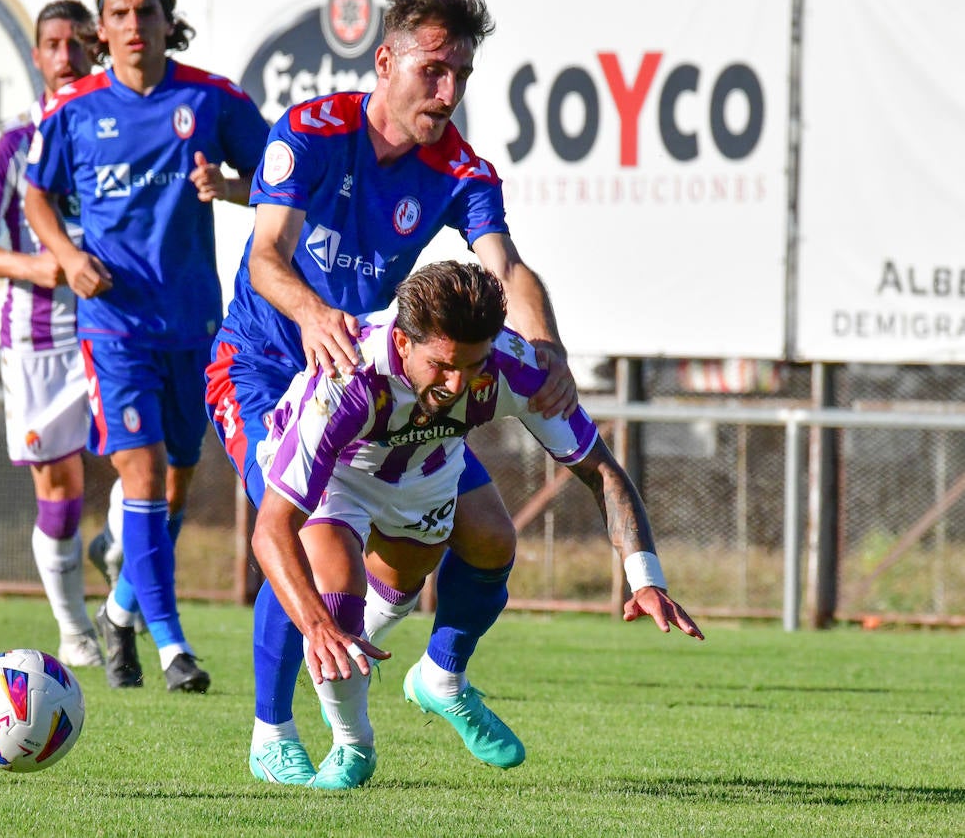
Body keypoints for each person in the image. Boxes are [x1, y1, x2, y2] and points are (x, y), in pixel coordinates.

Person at [204, 0, 580, 782]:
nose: (448, 93)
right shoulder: (311, 132)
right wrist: (310, 313)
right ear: (385, 61)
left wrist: (547, 347)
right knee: (298, 531)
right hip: (267, 366)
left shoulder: (460, 169)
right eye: (434, 70)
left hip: (374, 381)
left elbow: (504, 269)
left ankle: (440, 673)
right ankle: (272, 731)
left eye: (463, 76)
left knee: (488, 533)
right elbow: (267, 253)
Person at [251, 261, 704, 789]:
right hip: (340, 472)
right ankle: (351, 745)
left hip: (427, 466)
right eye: (442, 365)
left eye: (473, 363)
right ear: (401, 342)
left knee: (488, 544)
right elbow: (271, 529)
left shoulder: (511, 367)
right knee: (335, 598)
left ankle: (440, 677)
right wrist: (317, 624)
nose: (458, 382)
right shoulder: (346, 382)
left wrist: (645, 577)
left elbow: (601, 471)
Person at [23, 0, 270, 692]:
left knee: (174, 486)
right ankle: (173, 647)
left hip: (194, 323)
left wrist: (228, 187)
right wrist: (67, 255)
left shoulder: (212, 100)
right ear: (104, 30)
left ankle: (123, 613)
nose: (134, 25)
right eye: (120, 14)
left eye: (146, 12)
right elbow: (37, 197)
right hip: (114, 326)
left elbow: (282, 179)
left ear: (168, 22)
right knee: (142, 470)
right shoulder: (74, 112)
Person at [0, 0, 108, 669]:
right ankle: (74, 626)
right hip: (39, 337)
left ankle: (122, 557)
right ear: (37, 56)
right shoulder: (11, 144)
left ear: (97, 52)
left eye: (80, 42)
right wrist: (35, 266)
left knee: (156, 470)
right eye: (55, 43)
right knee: (60, 484)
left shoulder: (119, 133)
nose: (67, 54)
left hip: (115, 327)